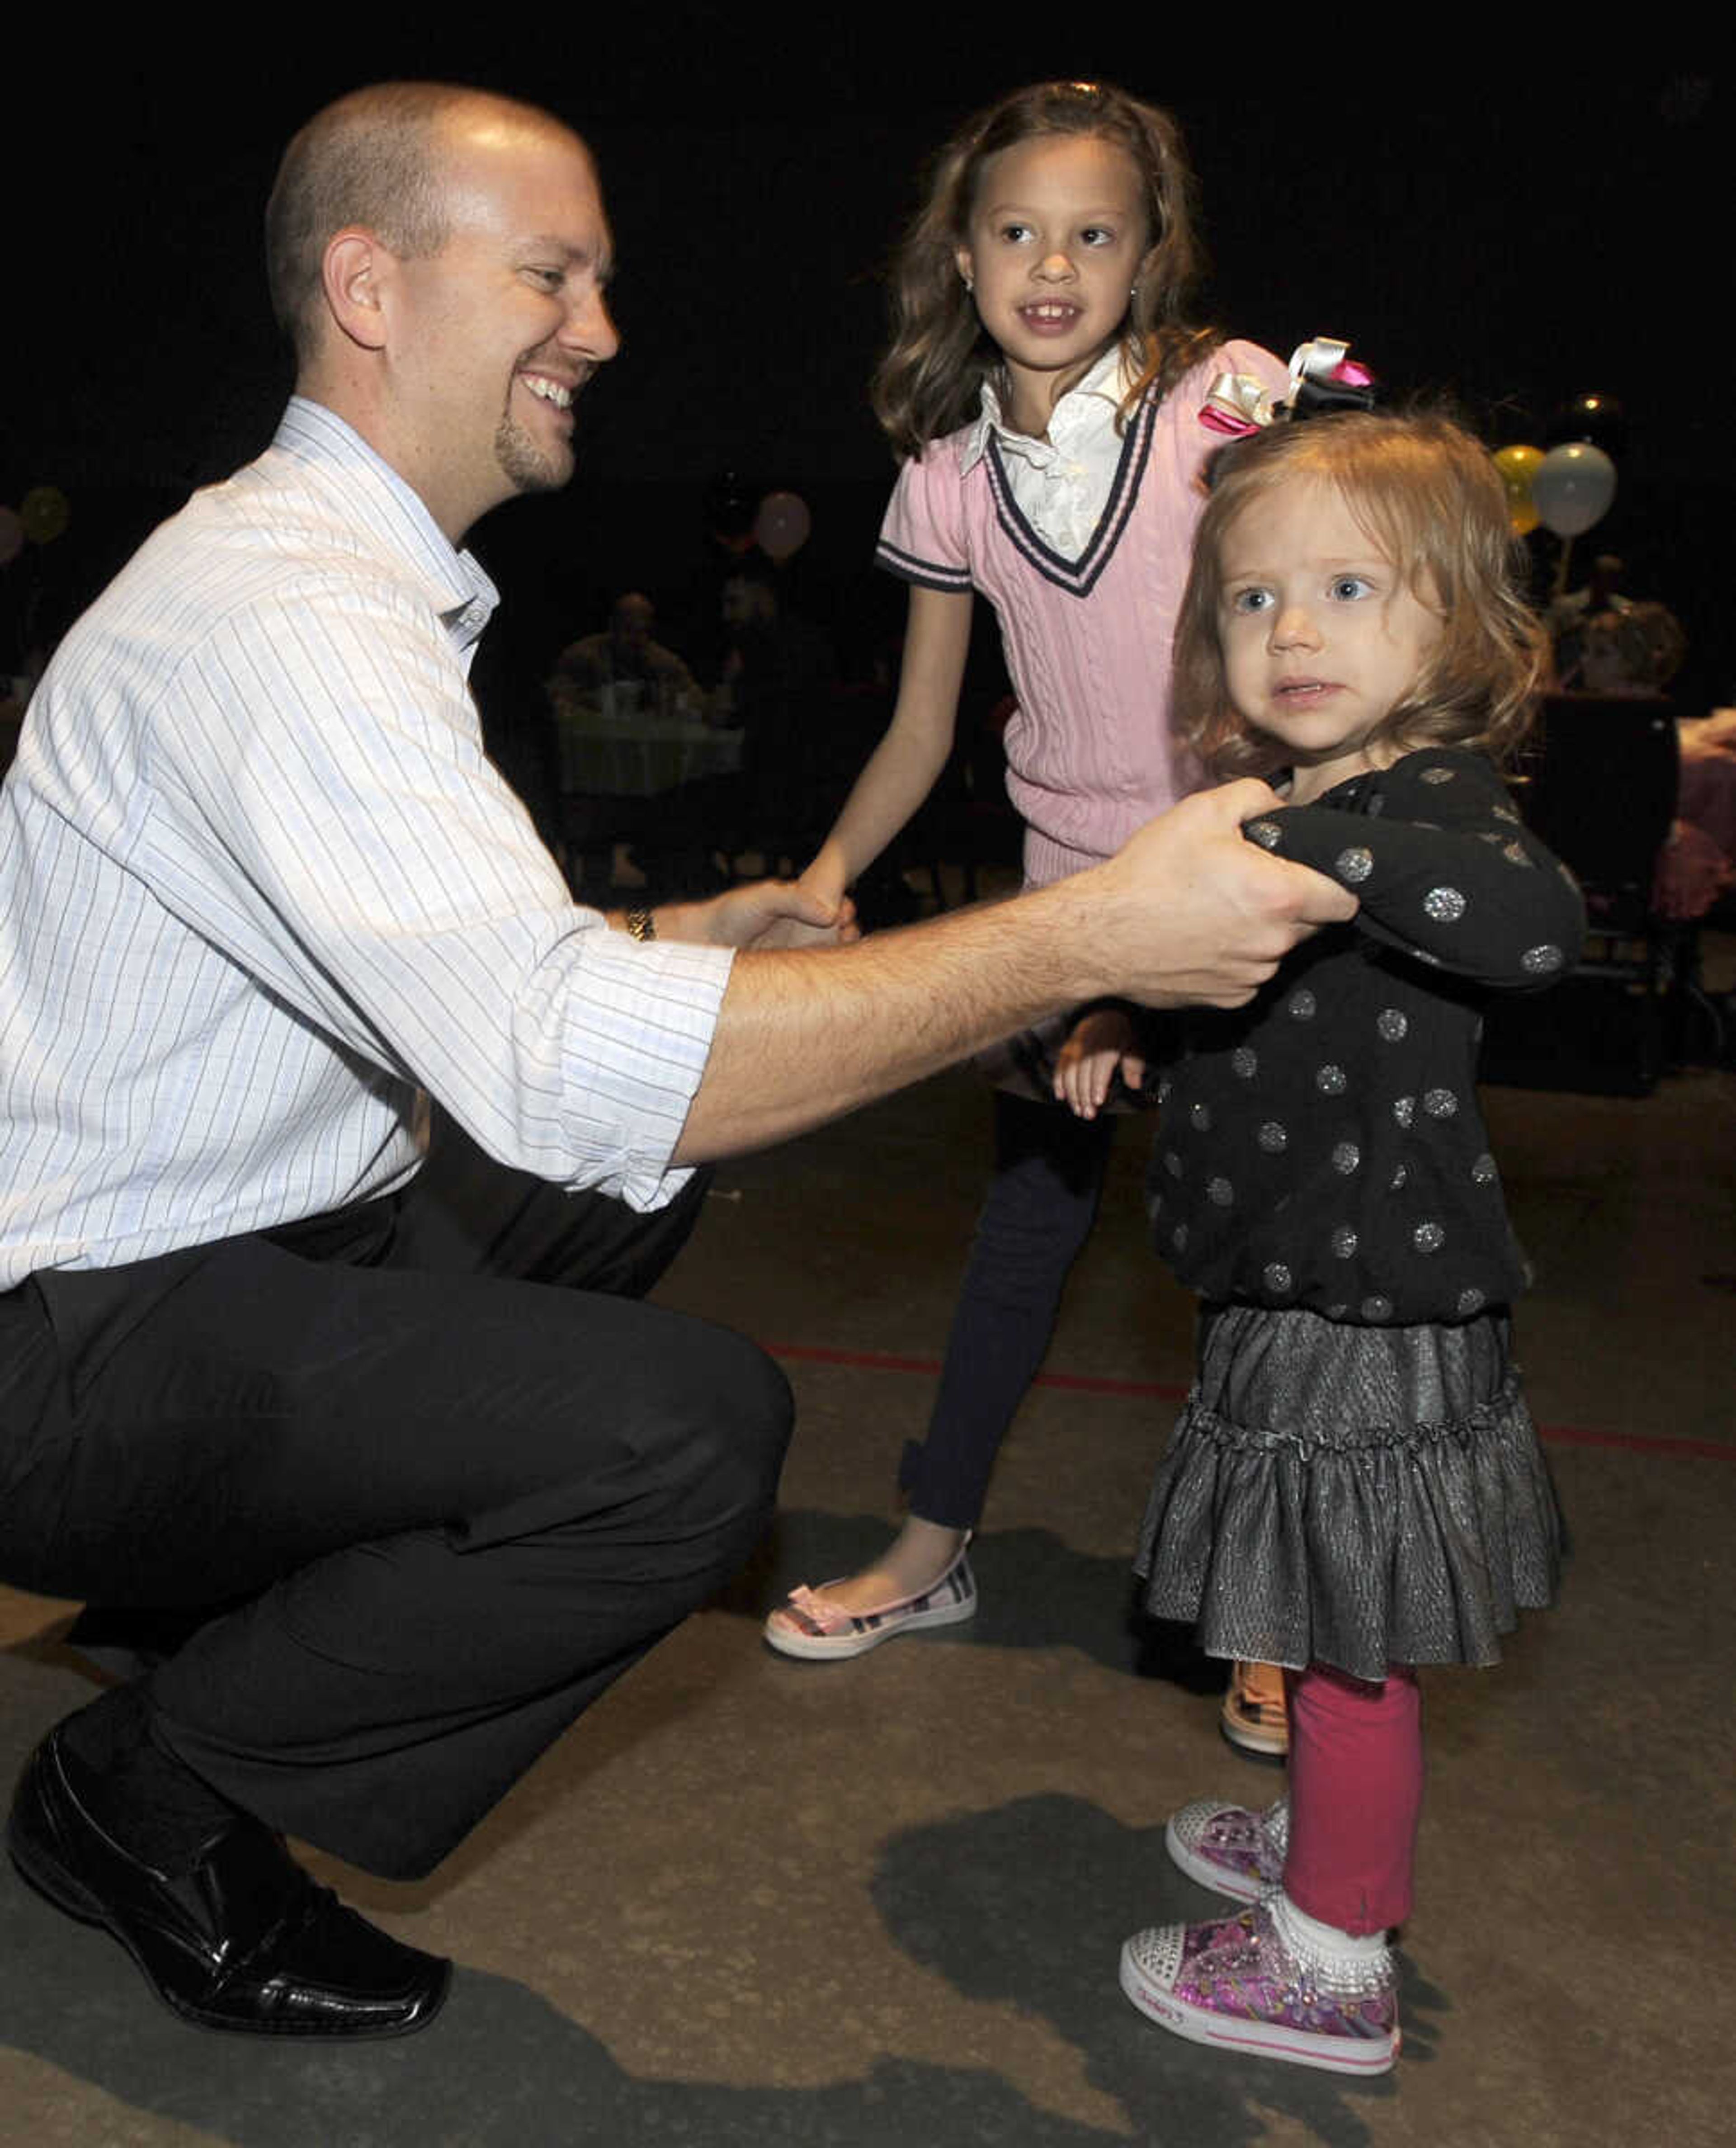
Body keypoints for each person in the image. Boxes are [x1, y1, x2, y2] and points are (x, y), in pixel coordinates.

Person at [0, 83, 1353, 2041]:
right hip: (59, 1330)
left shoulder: (330, 575)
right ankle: (148, 1797)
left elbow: (446, 974)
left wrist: (666, 936)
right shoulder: (281, 617)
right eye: (551, 274)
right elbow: (563, 1066)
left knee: (620, 1183)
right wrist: (1081, 939)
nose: (607, 330)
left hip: (216, 1244)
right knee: (681, 1435)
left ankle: (203, 1618)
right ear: (368, 288)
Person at [760, 81, 1291, 1737]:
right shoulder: (945, 478)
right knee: (1024, 1236)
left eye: (1092, 232)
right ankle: (933, 1543)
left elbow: (1315, 661)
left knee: (1267, 1265)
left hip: (1246, 874)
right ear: (965, 255)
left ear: (1150, 259)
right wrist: (826, 879)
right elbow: (925, 730)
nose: (1050, 262)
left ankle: (1281, 1604)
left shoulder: (1226, 405)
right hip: (1074, 901)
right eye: (1015, 230)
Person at [1096, 411, 1582, 2076]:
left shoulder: (1432, 808)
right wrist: (1121, 1017)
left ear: (1447, 621)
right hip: (1289, 1276)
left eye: (1349, 587)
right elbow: (1254, 1001)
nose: (1292, 630)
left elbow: (1534, 928)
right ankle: (1324, 1834)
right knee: (1315, 1607)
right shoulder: (1280, 799)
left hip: (1373, 1301)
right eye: (1252, 598)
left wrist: (1313, 839)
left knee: (1356, 1641)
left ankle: (1331, 1952)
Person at [548, 590, 700, 716]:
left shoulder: (664, 663)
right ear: (613, 627)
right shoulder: (582, 656)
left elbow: (696, 698)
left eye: (643, 632)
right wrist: (591, 704)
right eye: (628, 630)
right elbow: (555, 698)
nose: (636, 639)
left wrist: (675, 703)